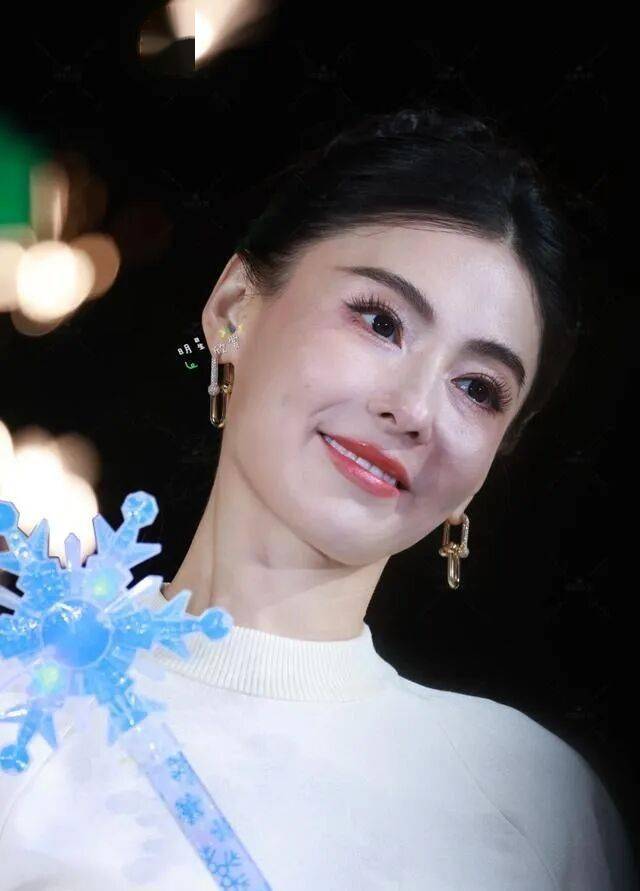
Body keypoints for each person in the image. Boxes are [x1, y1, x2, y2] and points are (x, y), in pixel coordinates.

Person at [0, 105, 635, 890]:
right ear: (235, 308)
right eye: (381, 321)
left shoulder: (534, 803)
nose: (414, 408)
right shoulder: (22, 713)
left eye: (477, 388)